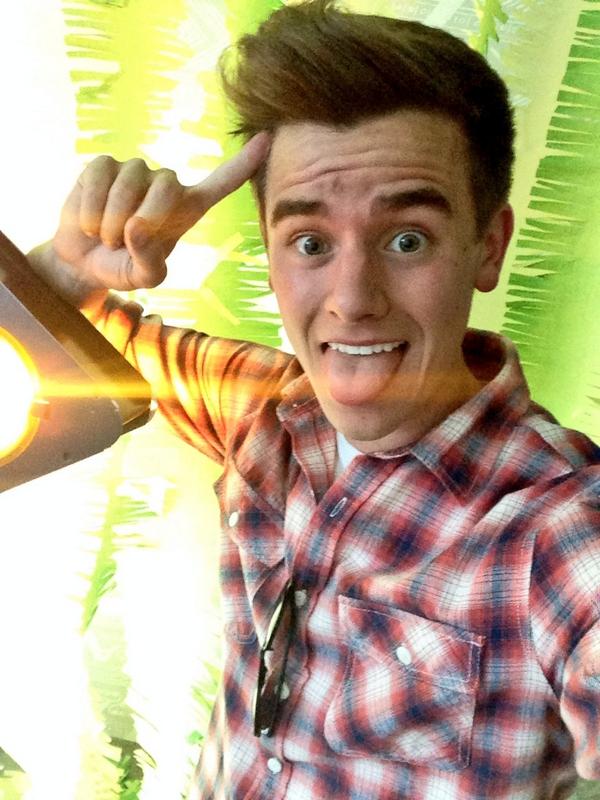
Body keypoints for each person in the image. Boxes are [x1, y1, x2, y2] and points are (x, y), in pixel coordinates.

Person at [27, 1, 600, 798]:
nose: (352, 300)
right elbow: (59, 343)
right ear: (270, 254)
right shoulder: (263, 412)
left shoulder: (560, 527)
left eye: (407, 239)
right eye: (310, 243)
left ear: (488, 247)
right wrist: (64, 273)